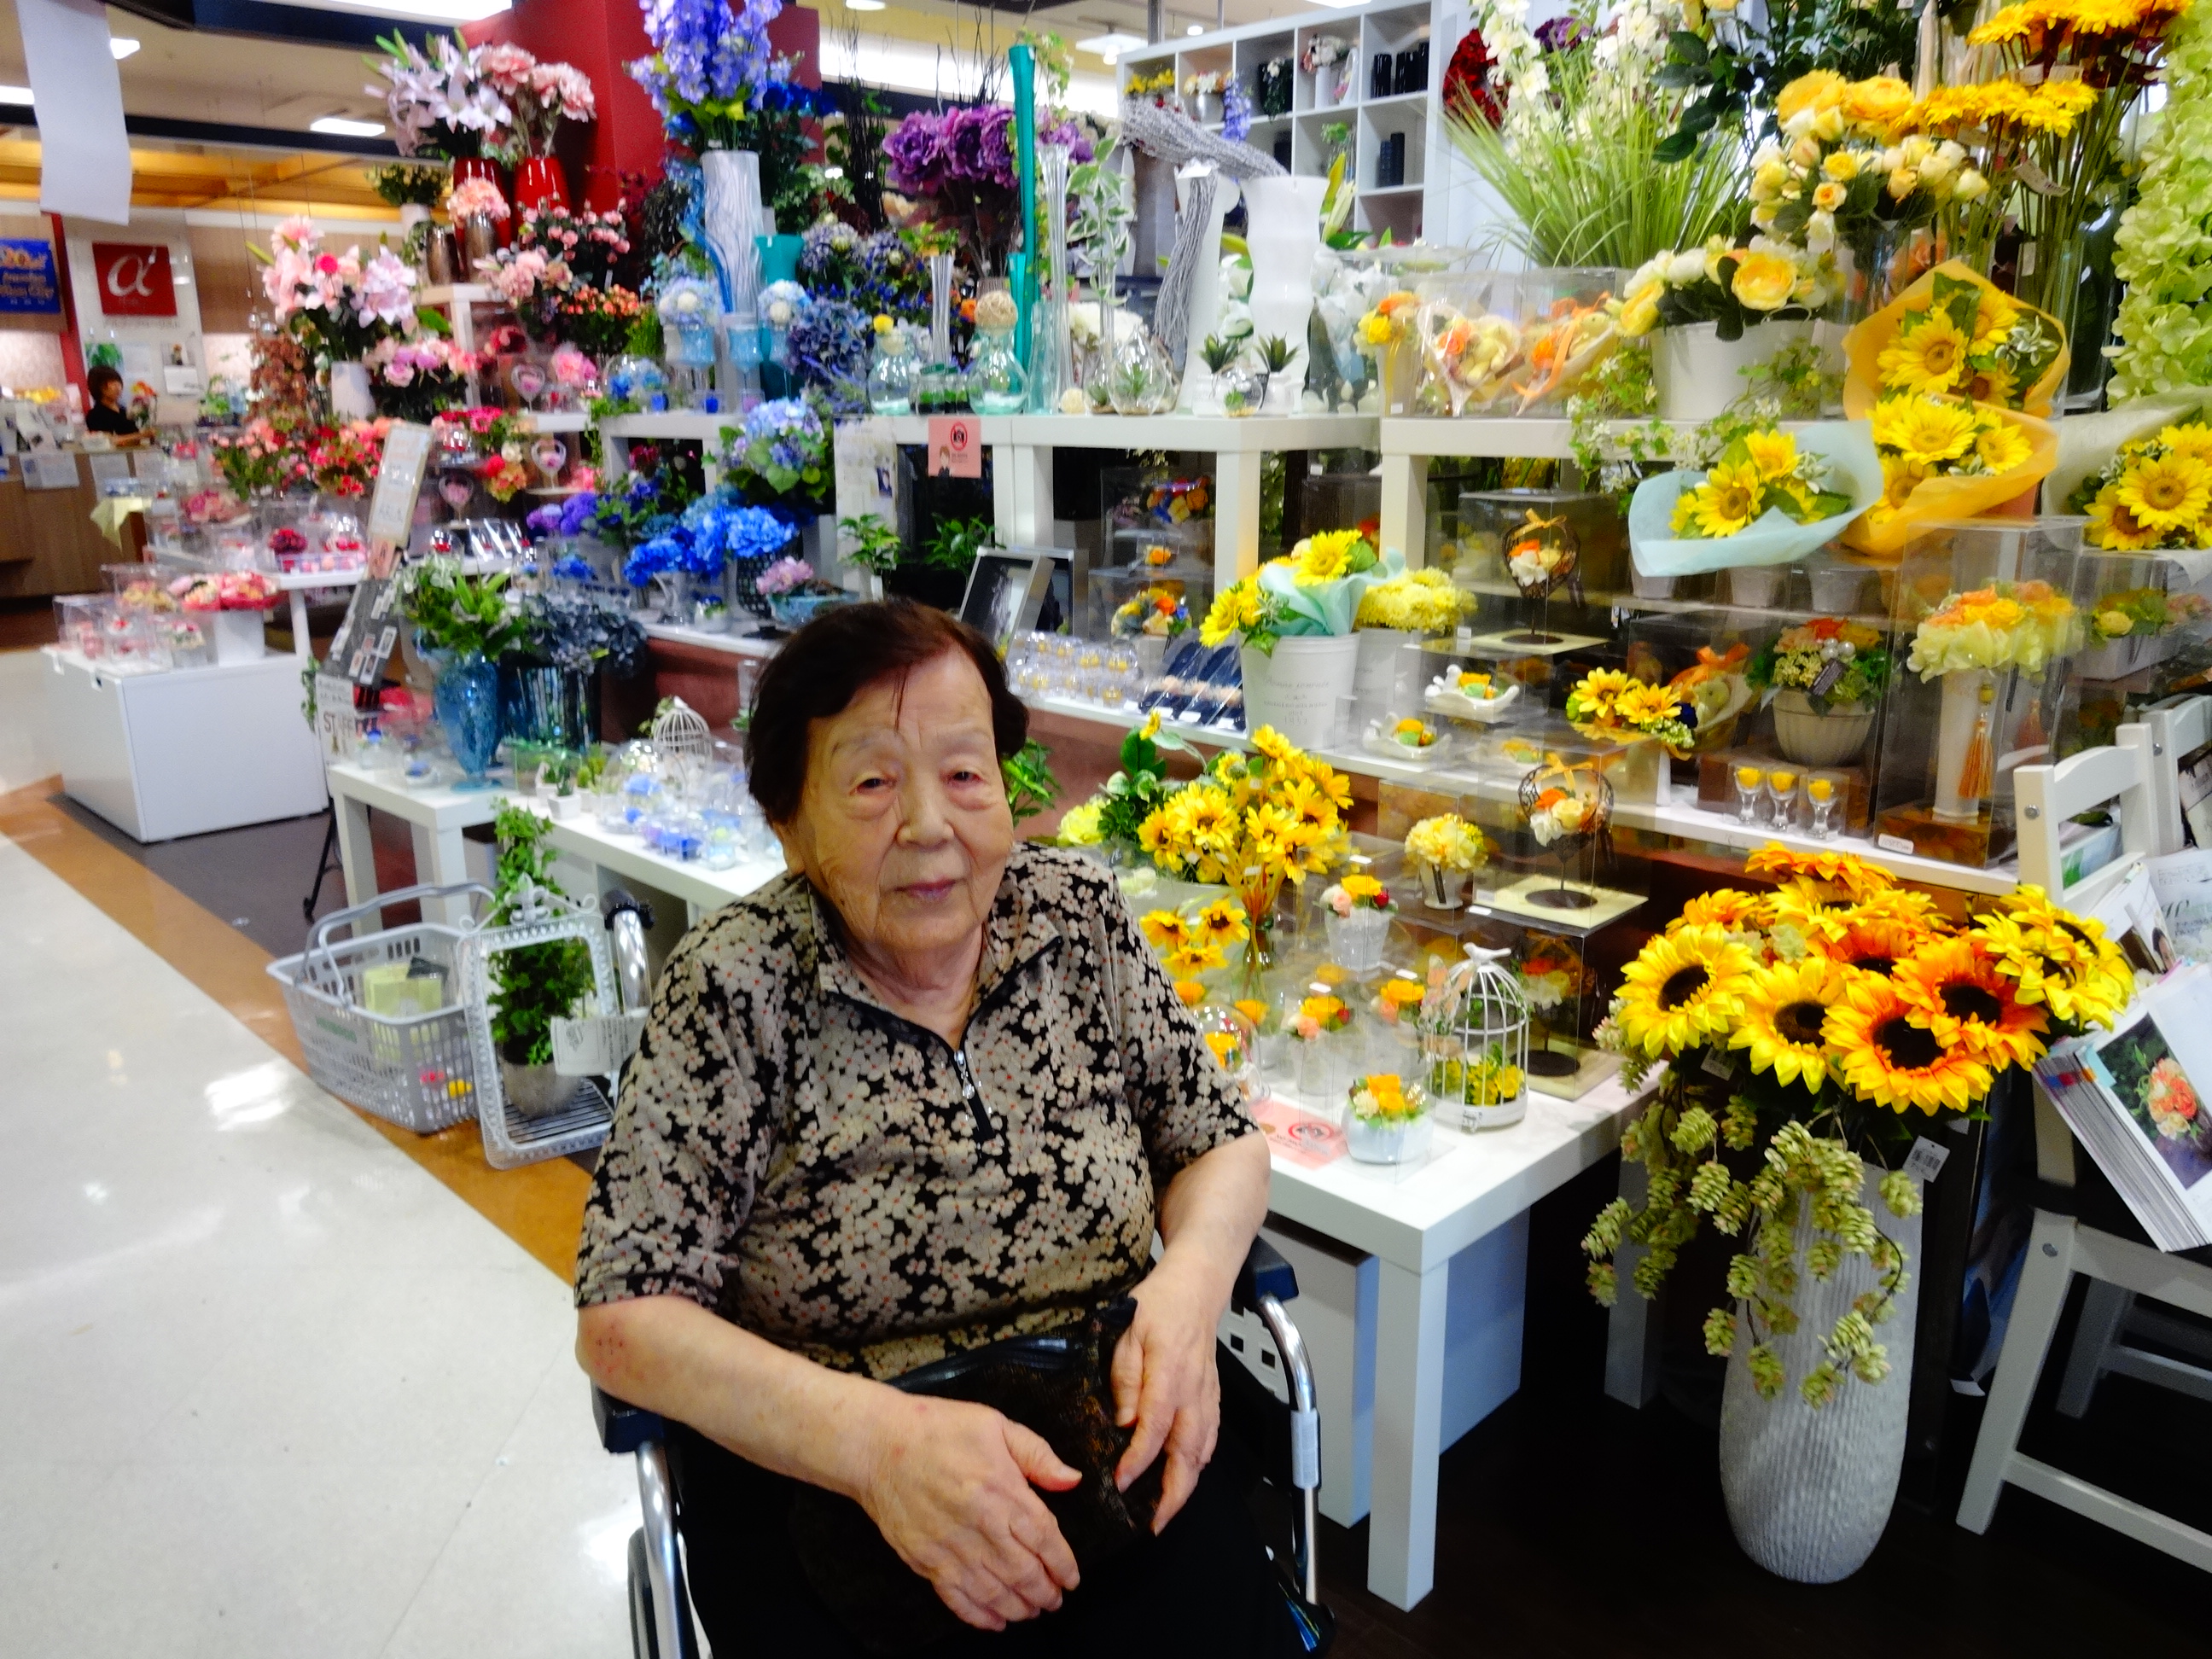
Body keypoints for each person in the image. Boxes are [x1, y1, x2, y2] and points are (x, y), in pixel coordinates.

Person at [574, 601, 1288, 1656]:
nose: (927, 825)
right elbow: (624, 1317)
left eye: (963, 773)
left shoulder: (1078, 918)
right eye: (871, 783)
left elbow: (1219, 1138)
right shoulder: (734, 987)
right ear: (789, 821)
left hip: (1108, 1437)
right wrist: (877, 1447)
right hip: (835, 1482)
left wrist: (1184, 1298)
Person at [84, 366, 146, 446]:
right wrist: (142, 435)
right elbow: (106, 441)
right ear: (99, 387)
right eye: (111, 383)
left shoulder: (123, 410)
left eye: (118, 382)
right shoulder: (96, 415)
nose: (117, 387)